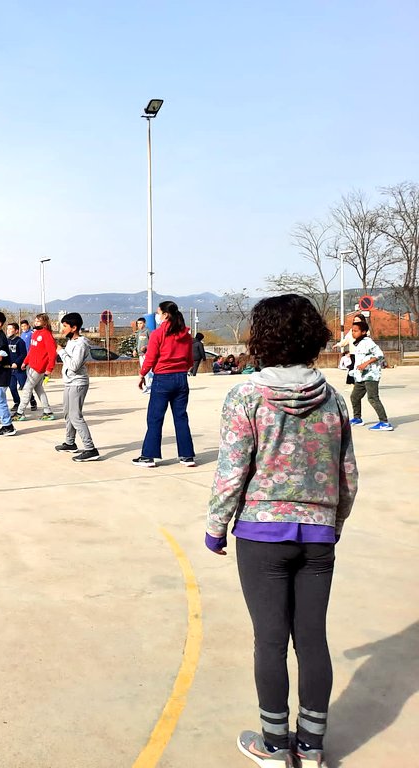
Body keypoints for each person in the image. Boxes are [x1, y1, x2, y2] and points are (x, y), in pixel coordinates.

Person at [204, 294, 357, 768]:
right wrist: (333, 522)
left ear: (263, 337)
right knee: (312, 639)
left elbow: (232, 469)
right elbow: (347, 474)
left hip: (262, 534)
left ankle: (273, 745)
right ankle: (310, 746)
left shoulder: (246, 396)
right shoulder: (332, 398)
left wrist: (216, 526)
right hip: (318, 535)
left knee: (270, 641)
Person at [133, 300, 195, 467]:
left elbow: (151, 357)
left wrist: (142, 374)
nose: (157, 316)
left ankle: (149, 456)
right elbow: (190, 359)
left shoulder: (158, 334)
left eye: (158, 313)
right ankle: (187, 456)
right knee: (181, 417)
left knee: (155, 418)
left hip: (163, 378)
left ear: (166, 315)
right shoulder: (185, 334)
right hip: (181, 378)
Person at [55, 313, 99, 461]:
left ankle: (90, 449)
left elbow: (74, 366)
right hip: (69, 382)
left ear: (74, 328)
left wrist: (61, 352)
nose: (62, 329)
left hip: (78, 383)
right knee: (68, 414)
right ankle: (70, 443)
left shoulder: (81, 344)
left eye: (65, 326)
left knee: (75, 416)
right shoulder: (71, 341)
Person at [348, 318, 393, 430]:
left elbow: (379, 355)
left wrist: (365, 364)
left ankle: (384, 422)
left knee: (372, 398)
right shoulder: (359, 343)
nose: (353, 333)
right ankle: (357, 418)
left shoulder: (368, 342)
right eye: (352, 331)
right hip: (361, 376)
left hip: (371, 375)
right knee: (354, 397)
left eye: (356, 331)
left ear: (363, 332)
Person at [14, 313, 56, 421]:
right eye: (35, 320)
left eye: (38, 321)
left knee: (27, 389)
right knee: (39, 389)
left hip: (39, 367)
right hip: (31, 366)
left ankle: (20, 413)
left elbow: (52, 354)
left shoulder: (47, 335)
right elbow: (32, 350)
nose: (35, 322)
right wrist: (25, 362)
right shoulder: (35, 333)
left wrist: (49, 369)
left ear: (44, 323)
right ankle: (48, 412)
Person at [5, 322, 28, 411]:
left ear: (16, 331)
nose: (8, 331)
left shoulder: (20, 341)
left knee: (24, 386)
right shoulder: (6, 341)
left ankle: (32, 400)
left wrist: (17, 363)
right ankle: (17, 402)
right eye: (7, 329)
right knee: (12, 387)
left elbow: (23, 354)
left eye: (11, 329)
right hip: (9, 369)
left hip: (19, 369)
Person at [18, 319, 37, 410]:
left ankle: (32, 401)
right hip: (23, 358)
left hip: (30, 358)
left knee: (29, 379)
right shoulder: (22, 334)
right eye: (22, 326)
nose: (23, 327)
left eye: (25, 326)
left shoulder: (32, 333)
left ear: (28, 325)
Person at [135, 317, 152, 394]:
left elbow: (152, 342)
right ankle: (146, 386)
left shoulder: (147, 331)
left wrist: (146, 347)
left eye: (141, 323)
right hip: (140, 354)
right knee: (143, 371)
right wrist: (135, 350)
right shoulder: (137, 333)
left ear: (144, 323)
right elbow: (137, 343)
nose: (139, 325)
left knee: (148, 371)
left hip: (146, 354)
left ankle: (150, 386)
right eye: (138, 323)